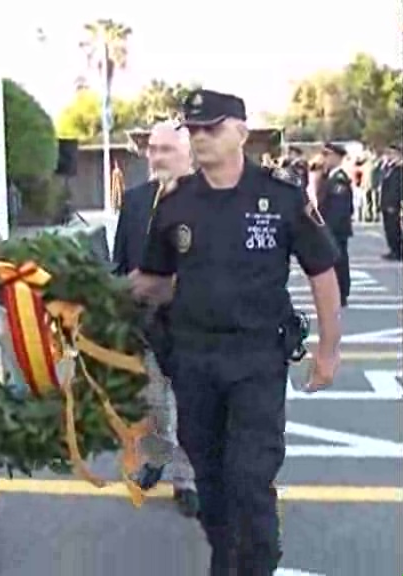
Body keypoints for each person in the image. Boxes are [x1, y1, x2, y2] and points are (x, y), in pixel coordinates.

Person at [130, 89, 342, 575]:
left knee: (250, 478)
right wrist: (95, 293)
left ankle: (258, 565)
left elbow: (322, 270)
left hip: (256, 361)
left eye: (212, 128)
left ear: (241, 133)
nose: (200, 137)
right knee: (210, 478)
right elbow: (157, 282)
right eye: (194, 129)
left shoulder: (281, 195)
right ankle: (226, 561)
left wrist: (328, 351)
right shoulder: (176, 202)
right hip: (194, 362)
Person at [112, 121, 199, 518]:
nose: (157, 156)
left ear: (188, 154)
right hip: (145, 327)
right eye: (153, 149)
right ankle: (159, 458)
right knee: (153, 406)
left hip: (192, 326)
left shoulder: (208, 200)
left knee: (191, 407)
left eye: (167, 149)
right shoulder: (133, 200)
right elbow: (120, 263)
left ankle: (187, 479)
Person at [317, 142, 354, 307]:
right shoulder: (329, 176)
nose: (324, 159)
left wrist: (327, 229)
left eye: (328, 155)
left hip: (336, 230)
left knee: (339, 262)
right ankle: (337, 293)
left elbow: (338, 210)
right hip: (330, 228)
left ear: (337, 158)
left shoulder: (339, 180)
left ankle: (342, 293)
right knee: (334, 261)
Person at [380, 143, 402, 261]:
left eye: (392, 154)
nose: (389, 156)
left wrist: (393, 203)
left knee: (394, 228)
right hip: (386, 202)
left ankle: (397, 251)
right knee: (388, 228)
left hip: (393, 203)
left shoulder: (399, 169)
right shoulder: (389, 168)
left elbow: (397, 188)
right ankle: (392, 249)